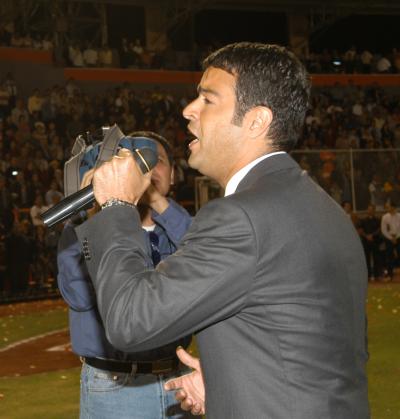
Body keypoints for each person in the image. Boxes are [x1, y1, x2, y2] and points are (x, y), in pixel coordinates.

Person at [76, 43, 369, 418]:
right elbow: (319, 351)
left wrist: (117, 207)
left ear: (257, 120)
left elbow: (131, 320)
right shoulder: (323, 208)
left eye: (208, 99)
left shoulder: (240, 217)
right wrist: (230, 380)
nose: (188, 110)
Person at [57, 131, 193, 418]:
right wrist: (92, 215)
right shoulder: (87, 228)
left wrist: (156, 200)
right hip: (115, 385)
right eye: (133, 159)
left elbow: (204, 258)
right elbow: (78, 297)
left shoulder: (181, 228)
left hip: (180, 382)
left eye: (157, 160)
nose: (146, 169)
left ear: (174, 175)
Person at [381, 201, 400, 280]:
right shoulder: (385, 217)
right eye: (388, 207)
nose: (389, 209)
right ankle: (390, 275)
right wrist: (391, 238)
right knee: (389, 256)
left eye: (390, 207)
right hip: (389, 238)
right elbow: (383, 230)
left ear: (394, 208)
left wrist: (397, 237)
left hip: (398, 237)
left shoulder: (399, 216)